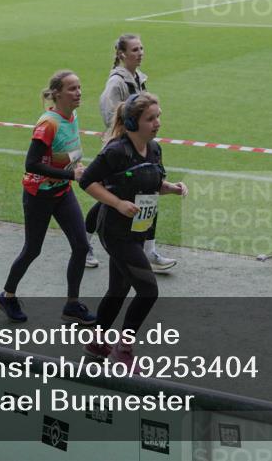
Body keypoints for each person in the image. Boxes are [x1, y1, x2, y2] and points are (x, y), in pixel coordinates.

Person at [78, 92, 187, 365]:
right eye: (151, 119)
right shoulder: (116, 151)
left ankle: (96, 343)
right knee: (148, 290)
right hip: (115, 232)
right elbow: (88, 181)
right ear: (132, 123)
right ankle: (122, 351)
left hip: (137, 231)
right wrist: (117, 203)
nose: (157, 123)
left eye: (158, 116)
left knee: (119, 289)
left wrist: (171, 188)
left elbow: (151, 183)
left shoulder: (154, 149)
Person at [0, 70, 96, 326]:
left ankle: (72, 305)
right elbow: (31, 164)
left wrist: (74, 172)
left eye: (79, 87)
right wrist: (71, 175)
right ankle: (7, 296)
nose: (79, 92)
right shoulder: (47, 124)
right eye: (72, 89)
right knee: (32, 249)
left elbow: (68, 153)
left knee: (82, 246)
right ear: (57, 94)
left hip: (62, 191)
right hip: (38, 196)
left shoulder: (72, 116)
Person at [87, 33, 177, 271]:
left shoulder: (137, 78)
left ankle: (148, 250)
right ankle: (84, 243)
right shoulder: (117, 82)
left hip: (136, 147)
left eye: (141, 48)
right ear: (122, 54)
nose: (140, 53)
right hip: (122, 152)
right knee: (109, 200)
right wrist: (126, 136)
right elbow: (109, 112)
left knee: (144, 193)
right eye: (135, 49)